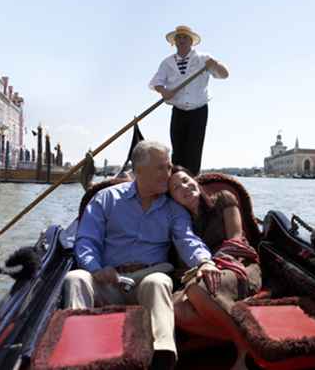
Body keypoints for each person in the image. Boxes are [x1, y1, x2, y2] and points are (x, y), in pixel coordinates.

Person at [62, 141, 221, 369]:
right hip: (107, 281)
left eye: (168, 167)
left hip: (145, 283)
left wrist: (204, 261)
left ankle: (163, 355)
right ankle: (78, 354)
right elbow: (86, 240)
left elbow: (187, 240)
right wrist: (95, 268)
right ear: (138, 171)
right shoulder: (106, 199)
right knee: (75, 278)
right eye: (161, 168)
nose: (168, 173)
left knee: (159, 282)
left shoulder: (173, 209)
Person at [168, 166, 261, 370]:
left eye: (185, 180)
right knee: (175, 308)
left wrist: (212, 265)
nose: (183, 187)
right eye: (175, 188)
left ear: (194, 180)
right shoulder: (180, 223)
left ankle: (244, 349)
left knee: (196, 289)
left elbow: (236, 239)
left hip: (238, 264)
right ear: (172, 198)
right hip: (204, 274)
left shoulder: (223, 198)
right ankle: (252, 339)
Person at [149, 25, 229, 176]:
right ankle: (177, 181)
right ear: (174, 42)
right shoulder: (167, 63)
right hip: (178, 111)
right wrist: (164, 91)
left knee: (194, 149)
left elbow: (224, 74)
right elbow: (156, 82)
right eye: (178, 38)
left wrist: (216, 64)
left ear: (191, 41)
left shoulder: (204, 59)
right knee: (177, 150)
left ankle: (192, 180)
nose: (181, 40)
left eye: (185, 37)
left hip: (198, 110)